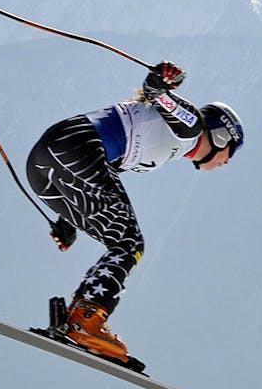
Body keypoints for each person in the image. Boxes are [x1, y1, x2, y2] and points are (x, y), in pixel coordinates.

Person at [25, 61, 243, 362]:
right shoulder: (192, 126)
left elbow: (101, 182)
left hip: (46, 163)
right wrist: (163, 80)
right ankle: (85, 322)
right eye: (233, 149)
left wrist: (69, 219)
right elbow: (156, 91)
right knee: (129, 243)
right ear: (221, 135)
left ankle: (78, 319)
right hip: (78, 149)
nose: (228, 161)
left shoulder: (169, 143)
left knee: (121, 239)